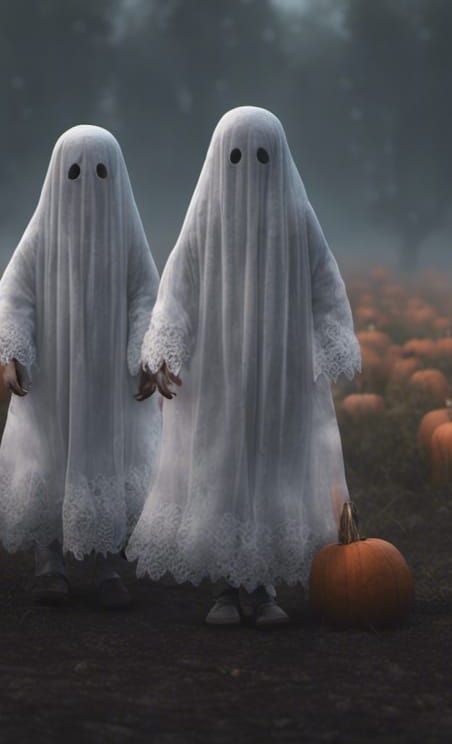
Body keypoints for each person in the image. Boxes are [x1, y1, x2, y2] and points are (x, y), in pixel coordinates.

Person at [127, 106, 360, 628]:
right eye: (236, 156)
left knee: (273, 468)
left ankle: (264, 584)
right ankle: (227, 587)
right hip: (218, 378)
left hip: (280, 377)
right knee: (221, 467)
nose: (248, 168)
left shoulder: (297, 218)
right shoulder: (206, 218)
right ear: (217, 159)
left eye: (260, 156)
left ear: (278, 159)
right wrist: (164, 349)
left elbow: (326, 285)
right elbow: (177, 290)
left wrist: (332, 344)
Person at [0, 125, 161, 609]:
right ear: (57, 176)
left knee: (104, 457)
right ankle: (50, 561)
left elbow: (146, 294)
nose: (87, 185)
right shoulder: (41, 234)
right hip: (52, 379)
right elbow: (15, 294)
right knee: (49, 455)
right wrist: (15, 350)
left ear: (116, 177)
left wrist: (142, 354)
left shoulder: (126, 234)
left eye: (100, 172)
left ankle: (105, 562)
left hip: (106, 380)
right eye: (75, 173)